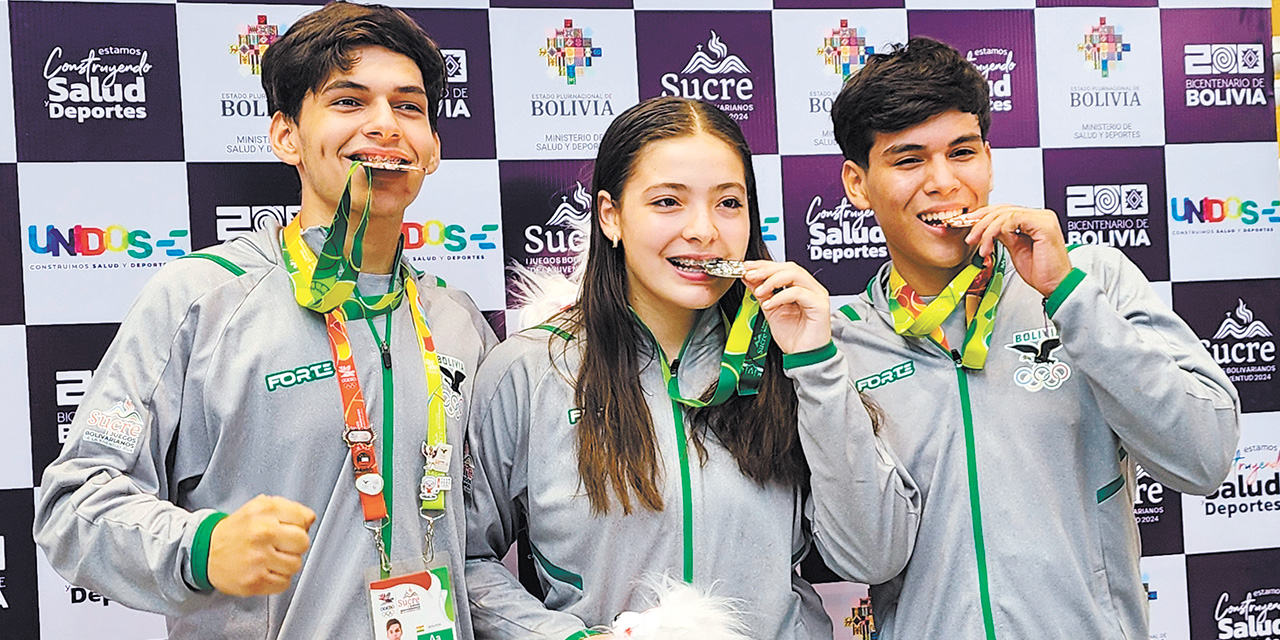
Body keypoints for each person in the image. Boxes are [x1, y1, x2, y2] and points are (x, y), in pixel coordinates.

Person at [33, 3, 495, 638]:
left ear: (434, 149)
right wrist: (202, 546)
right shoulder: (198, 297)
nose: (385, 125)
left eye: (409, 107)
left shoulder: (458, 319)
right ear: (286, 137)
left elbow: (488, 541)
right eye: (349, 102)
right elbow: (73, 504)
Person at [815, 37, 1240, 639]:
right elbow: (858, 558)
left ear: (989, 158)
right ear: (858, 184)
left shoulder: (1094, 280)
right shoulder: (840, 344)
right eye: (908, 160)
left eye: (962, 152)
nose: (943, 182)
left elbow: (1204, 457)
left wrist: (1066, 296)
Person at [463, 96, 920, 639]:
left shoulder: (795, 360)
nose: (704, 230)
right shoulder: (528, 370)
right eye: (667, 202)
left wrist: (815, 364)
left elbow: (874, 557)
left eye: (729, 204)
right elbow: (466, 562)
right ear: (610, 216)